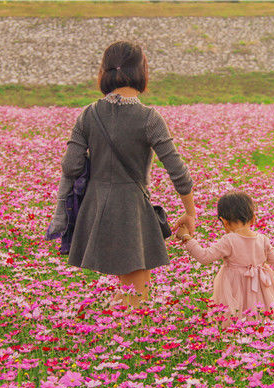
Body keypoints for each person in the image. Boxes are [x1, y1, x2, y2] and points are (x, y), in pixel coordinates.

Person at [48, 41, 196, 308]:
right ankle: (130, 335)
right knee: (137, 297)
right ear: (142, 71)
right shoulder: (149, 118)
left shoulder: (88, 115)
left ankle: (118, 326)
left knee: (126, 291)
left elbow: (70, 166)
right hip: (131, 210)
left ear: (105, 72)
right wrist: (190, 212)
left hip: (96, 209)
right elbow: (178, 170)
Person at [176, 191, 274, 327]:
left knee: (235, 317)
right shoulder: (262, 240)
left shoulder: (229, 240)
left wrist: (187, 238)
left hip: (234, 288)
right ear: (253, 218)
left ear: (224, 221)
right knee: (264, 315)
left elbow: (204, 257)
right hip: (262, 288)